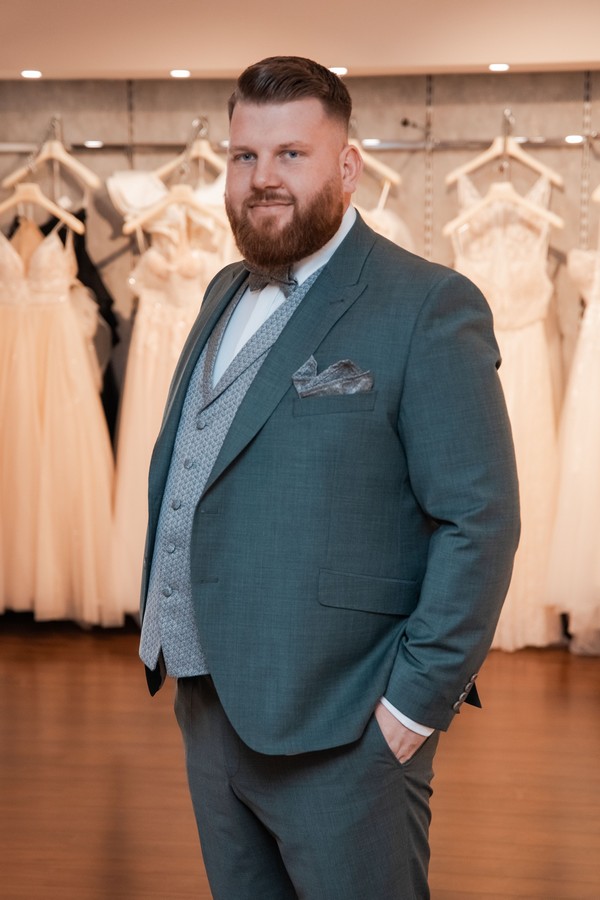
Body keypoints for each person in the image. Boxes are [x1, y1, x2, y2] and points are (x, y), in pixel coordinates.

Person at [139, 55, 520, 899]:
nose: (262, 179)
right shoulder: (221, 290)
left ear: (348, 166)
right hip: (210, 709)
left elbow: (480, 519)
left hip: (345, 727)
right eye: (245, 156)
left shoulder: (427, 305)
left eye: (291, 154)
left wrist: (412, 707)